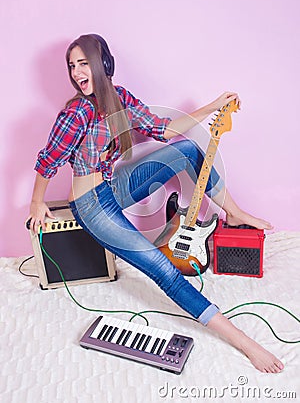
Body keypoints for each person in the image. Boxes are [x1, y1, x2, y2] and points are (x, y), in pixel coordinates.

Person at [28, 33, 283, 373]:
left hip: (112, 185)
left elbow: (164, 129)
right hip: (91, 205)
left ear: (104, 64)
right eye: (72, 66)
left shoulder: (119, 99)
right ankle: (244, 341)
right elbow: (49, 161)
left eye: (83, 63)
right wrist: (36, 203)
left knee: (189, 150)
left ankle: (233, 213)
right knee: (165, 271)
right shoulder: (76, 113)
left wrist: (211, 106)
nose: (76, 72)